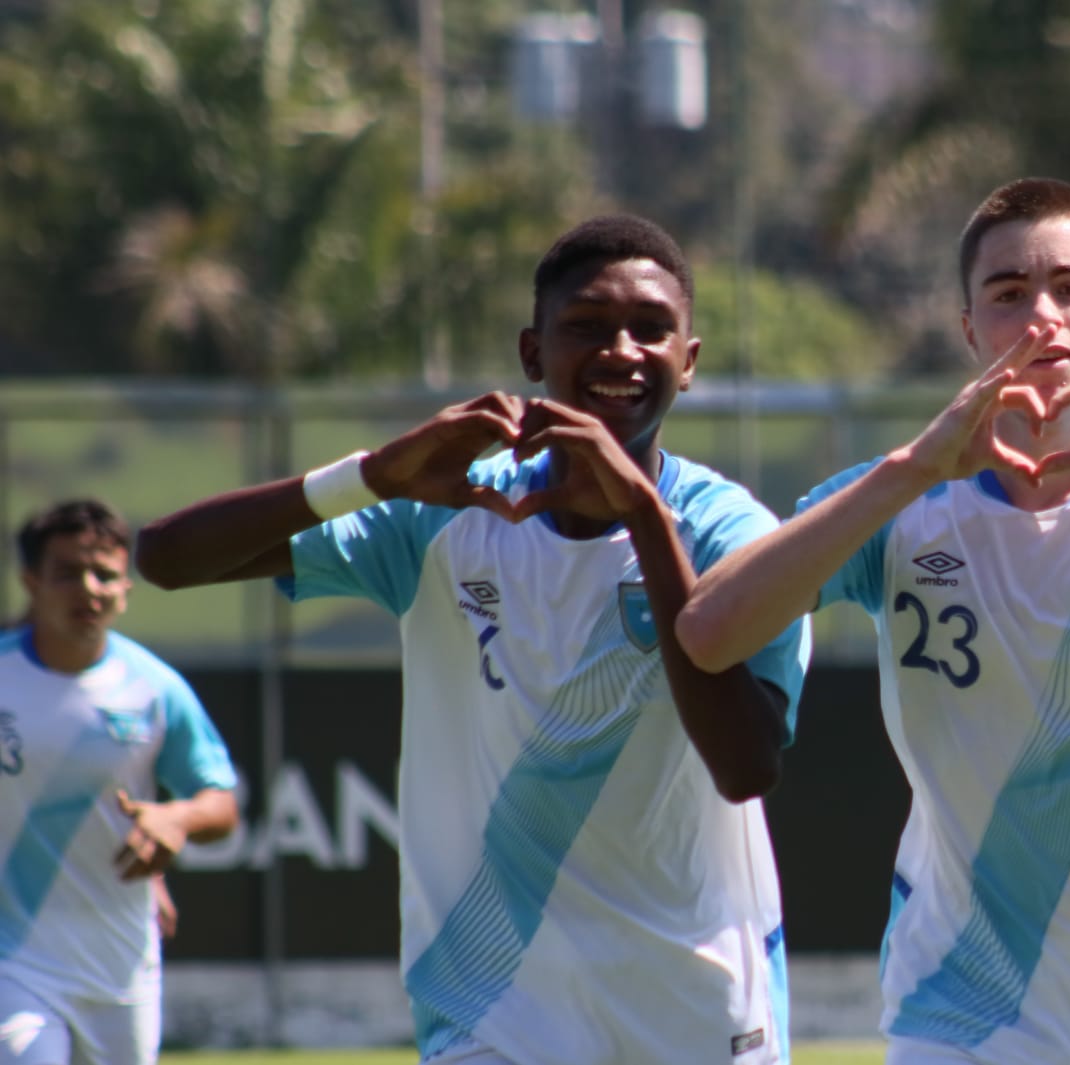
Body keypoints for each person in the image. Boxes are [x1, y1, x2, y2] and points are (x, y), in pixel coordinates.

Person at [135, 215, 811, 1065]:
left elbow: (746, 765)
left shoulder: (730, 533)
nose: (623, 351)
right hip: (491, 1010)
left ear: (690, 359)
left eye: (651, 329)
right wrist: (375, 473)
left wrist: (643, 513)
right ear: (533, 354)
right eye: (588, 328)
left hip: (695, 1003)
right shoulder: (446, 511)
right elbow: (165, 559)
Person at [677, 178, 1070, 1065]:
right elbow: (709, 630)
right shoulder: (903, 498)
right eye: (1010, 294)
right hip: (962, 1010)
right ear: (971, 326)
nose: (1044, 316)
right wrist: (909, 470)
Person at [0, 499, 239, 1065]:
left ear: (126, 586)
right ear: (31, 583)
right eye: (67, 573)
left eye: (104, 573)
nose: (88, 588)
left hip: (121, 961)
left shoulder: (155, 688)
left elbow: (221, 803)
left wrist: (176, 819)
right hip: (15, 961)